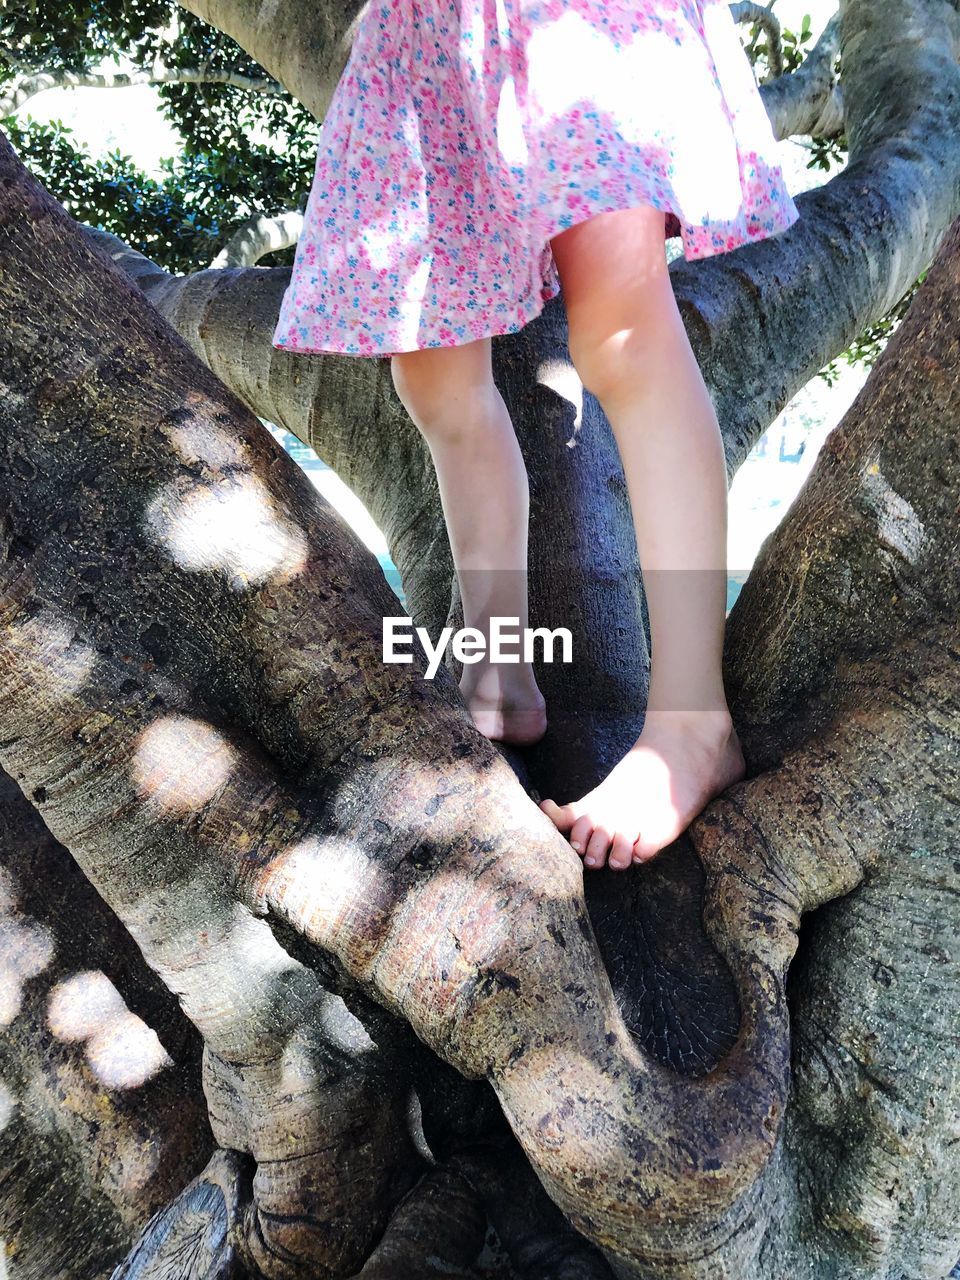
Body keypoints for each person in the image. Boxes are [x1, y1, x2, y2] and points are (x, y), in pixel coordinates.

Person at [272, 0, 800, 871]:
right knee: (433, 381)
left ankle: (690, 724)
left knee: (622, 330)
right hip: (424, 35)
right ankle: (500, 668)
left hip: (568, 18)